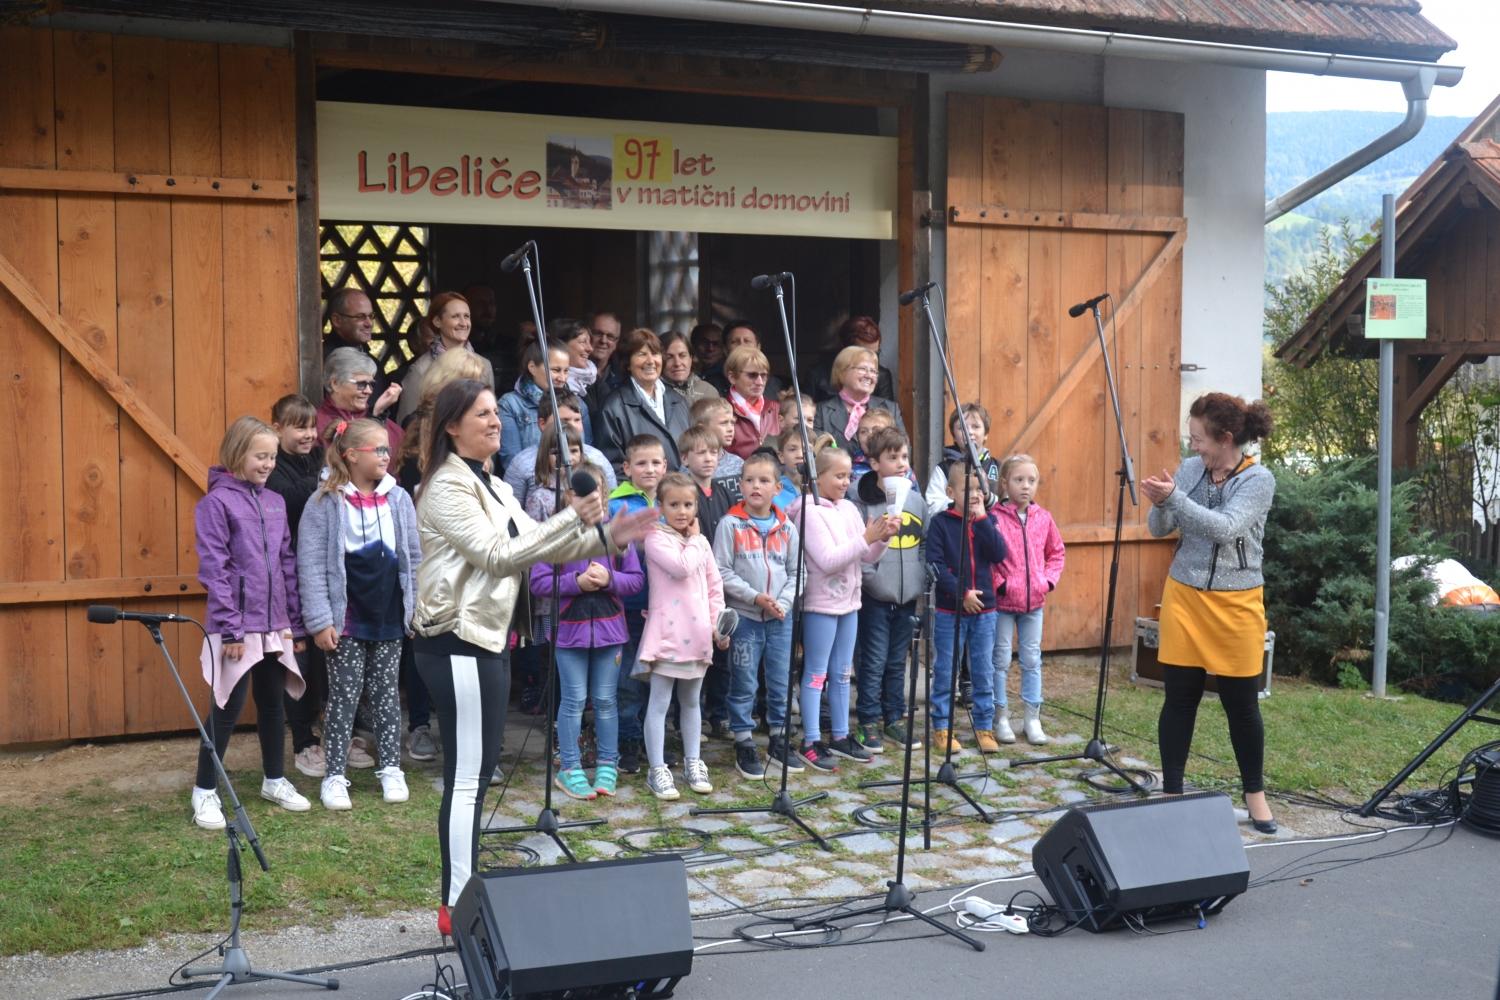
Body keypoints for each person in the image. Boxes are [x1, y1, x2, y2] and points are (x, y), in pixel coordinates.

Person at [412, 379, 655, 936]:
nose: (495, 421)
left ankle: (465, 894)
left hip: (488, 640)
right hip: (455, 641)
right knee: (466, 779)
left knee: (478, 775)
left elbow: (542, 546)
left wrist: (608, 536)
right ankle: (456, 904)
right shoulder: (446, 486)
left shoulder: (495, 485)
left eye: (495, 412)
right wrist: (575, 515)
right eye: (482, 414)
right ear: (452, 426)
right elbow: (500, 556)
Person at [1143, 393, 1278, 834]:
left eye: (1199, 438)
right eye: (1191, 438)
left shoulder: (1258, 480)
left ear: (1226, 438)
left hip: (1237, 604)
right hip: (1184, 597)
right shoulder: (1188, 470)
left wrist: (1176, 499)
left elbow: (1225, 528)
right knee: (1179, 699)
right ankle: (1172, 792)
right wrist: (1162, 502)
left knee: (1242, 706)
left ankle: (1255, 796)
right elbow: (1159, 528)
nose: (1193, 446)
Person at [190, 416, 310, 830]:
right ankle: (205, 790)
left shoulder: (275, 502)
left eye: (272, 457)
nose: (268, 464)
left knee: (273, 703)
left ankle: (274, 780)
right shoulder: (216, 504)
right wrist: (232, 629)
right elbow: (215, 568)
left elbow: (286, 563)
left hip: (275, 625)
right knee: (227, 706)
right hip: (237, 627)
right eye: (261, 456)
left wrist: (293, 623)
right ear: (237, 453)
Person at [297, 419, 422, 810]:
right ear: (351, 455)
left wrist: (413, 607)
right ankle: (334, 775)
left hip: (388, 616)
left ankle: (391, 768)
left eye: (387, 449)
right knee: (343, 698)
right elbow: (311, 565)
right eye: (378, 449)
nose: (386, 455)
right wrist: (320, 620)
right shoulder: (324, 502)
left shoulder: (398, 499)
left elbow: (413, 556)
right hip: (347, 619)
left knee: (387, 696)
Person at [391, 346, 493, 764]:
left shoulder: (480, 433)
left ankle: (474, 739)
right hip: (430, 549)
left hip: (473, 550)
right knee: (429, 637)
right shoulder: (420, 428)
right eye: (466, 381)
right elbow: (412, 489)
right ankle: (420, 725)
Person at [529, 463, 645, 800]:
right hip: (569, 633)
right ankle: (570, 767)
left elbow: (636, 580)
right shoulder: (555, 533)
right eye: (581, 493)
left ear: (605, 495)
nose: (590, 499)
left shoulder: (616, 534)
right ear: (568, 496)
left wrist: (610, 579)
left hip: (611, 632)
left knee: (606, 700)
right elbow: (539, 582)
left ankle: (608, 764)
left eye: (596, 492)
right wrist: (576, 583)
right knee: (574, 700)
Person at [788, 441, 898, 771]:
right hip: (821, 605)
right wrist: (866, 538)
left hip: (850, 602)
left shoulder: (848, 508)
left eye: (848, 476)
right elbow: (828, 560)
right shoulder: (808, 512)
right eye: (838, 476)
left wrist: (883, 538)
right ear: (817, 477)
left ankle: (839, 735)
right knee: (816, 673)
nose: (845, 482)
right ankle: (810, 740)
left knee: (841, 673)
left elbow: (866, 556)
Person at [265, 395, 343, 779]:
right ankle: (302, 739)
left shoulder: (319, 460)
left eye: (312, 426)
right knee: (298, 658)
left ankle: (335, 731)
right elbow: (294, 501)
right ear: (277, 428)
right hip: (289, 574)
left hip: (325, 572)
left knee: (329, 653)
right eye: (299, 427)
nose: (309, 434)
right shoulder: (273, 470)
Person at [638, 472, 730, 799]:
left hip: (699, 633)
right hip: (668, 634)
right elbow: (681, 567)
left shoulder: (700, 542)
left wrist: (718, 625)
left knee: (692, 701)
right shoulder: (656, 538)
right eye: (674, 504)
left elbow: (714, 586)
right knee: (660, 702)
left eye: (688, 504)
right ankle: (657, 769)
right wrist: (695, 540)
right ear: (660, 506)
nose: (682, 511)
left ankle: (694, 761)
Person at [715, 452, 802, 777]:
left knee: (780, 679)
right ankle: (744, 741)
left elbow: (798, 572)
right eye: (749, 480)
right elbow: (721, 570)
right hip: (746, 617)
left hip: (780, 617)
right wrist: (755, 597)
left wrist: (784, 602)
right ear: (740, 485)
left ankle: (779, 737)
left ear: (777, 488)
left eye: (764, 481)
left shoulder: (787, 527)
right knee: (744, 680)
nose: (756, 486)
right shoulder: (730, 524)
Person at [851, 427, 928, 755]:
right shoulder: (862, 502)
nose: (901, 463)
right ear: (874, 463)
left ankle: (893, 716)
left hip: (907, 596)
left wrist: (918, 579)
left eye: (904, 457)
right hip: (875, 597)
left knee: (897, 661)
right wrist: (873, 579)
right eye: (892, 457)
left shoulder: (916, 501)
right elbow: (859, 545)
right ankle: (868, 720)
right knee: (874, 660)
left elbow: (923, 544)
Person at [927, 464, 1007, 754]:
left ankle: (984, 726)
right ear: (950, 492)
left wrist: (983, 520)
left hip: (985, 612)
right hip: (951, 611)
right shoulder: (940, 524)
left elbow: (999, 553)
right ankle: (942, 727)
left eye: (978, 489)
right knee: (945, 669)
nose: (974, 495)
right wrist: (962, 593)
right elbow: (935, 563)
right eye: (967, 489)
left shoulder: (988, 520)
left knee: (983, 669)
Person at [989, 453, 1066, 746]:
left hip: (1034, 604)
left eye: (1031, 480)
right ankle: (1000, 716)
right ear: (1004, 483)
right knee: (1000, 659)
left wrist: (1047, 581)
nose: (1025, 486)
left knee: (1032, 659)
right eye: (1019, 479)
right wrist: (1001, 585)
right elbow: (987, 558)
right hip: (1003, 604)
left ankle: (1032, 718)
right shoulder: (995, 519)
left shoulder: (1043, 518)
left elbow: (1056, 553)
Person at [608, 435, 670, 774]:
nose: (649, 469)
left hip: (667, 607)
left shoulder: (674, 498)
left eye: (655, 462)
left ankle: (654, 738)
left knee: (661, 675)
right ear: (627, 467)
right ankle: (628, 739)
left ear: (665, 466)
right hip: (630, 604)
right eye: (641, 463)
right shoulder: (617, 505)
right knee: (629, 677)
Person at [680, 424, 742, 738]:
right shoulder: (684, 495)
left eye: (713, 452)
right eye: (700, 453)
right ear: (685, 458)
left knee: (722, 652)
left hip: (722, 582)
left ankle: (719, 714)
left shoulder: (724, 492)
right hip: (695, 582)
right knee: (695, 652)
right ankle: (691, 718)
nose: (708, 459)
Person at [502, 389, 615, 513]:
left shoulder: (597, 458)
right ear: (542, 424)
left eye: (577, 420)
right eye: (564, 421)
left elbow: (612, 503)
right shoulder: (522, 464)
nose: (572, 426)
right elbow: (511, 513)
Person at [597, 328, 691, 472]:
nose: (650, 361)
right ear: (627, 363)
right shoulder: (613, 407)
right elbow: (613, 467)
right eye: (642, 354)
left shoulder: (678, 401)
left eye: (655, 353)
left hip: (683, 486)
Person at [397, 293, 495, 425]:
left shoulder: (484, 365)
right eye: (455, 316)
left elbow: (491, 415)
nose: (463, 323)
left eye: (466, 316)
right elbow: (407, 423)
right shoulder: (421, 369)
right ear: (437, 321)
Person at [497, 340, 588, 472]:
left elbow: (588, 452)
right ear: (532, 367)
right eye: (556, 370)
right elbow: (512, 463)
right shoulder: (510, 405)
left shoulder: (579, 404)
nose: (562, 378)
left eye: (566, 371)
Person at [814, 345, 905, 453]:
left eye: (873, 371)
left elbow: (903, 449)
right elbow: (816, 452)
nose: (869, 375)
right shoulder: (821, 411)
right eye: (862, 369)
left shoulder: (890, 408)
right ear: (842, 372)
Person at [319, 346, 404, 455]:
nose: (368, 391)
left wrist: (376, 416)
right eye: (361, 384)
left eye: (371, 384)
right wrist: (374, 418)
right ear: (335, 383)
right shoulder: (316, 425)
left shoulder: (390, 427)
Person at [926, 403, 1002, 516]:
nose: (969, 432)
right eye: (962, 428)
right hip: (955, 526)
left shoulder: (998, 467)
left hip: (990, 525)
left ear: (986, 434)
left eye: (975, 426)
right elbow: (933, 506)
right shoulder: (944, 469)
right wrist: (961, 504)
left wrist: (989, 498)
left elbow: (1009, 506)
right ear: (954, 436)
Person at [809, 315, 896, 402]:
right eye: (863, 353)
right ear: (845, 349)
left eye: (875, 353)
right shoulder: (817, 375)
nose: (870, 359)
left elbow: (886, 408)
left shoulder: (881, 376)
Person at [723, 345, 783, 459]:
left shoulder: (776, 408)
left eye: (764, 376)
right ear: (732, 377)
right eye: (752, 375)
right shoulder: (719, 413)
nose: (760, 382)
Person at [708, 322, 784, 399]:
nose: (742, 345)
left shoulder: (775, 385)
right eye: (735, 342)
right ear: (725, 349)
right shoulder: (711, 386)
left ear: (758, 347)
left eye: (747, 341)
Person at [661, 330, 719, 408]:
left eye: (682, 355)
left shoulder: (707, 391)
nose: (677, 363)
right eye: (669, 357)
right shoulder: (654, 392)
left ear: (691, 358)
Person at [691, 396, 743, 480]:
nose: (731, 429)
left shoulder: (738, 463)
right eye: (724, 423)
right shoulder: (691, 466)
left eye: (732, 423)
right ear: (702, 428)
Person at [557, 318, 598, 398]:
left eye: (589, 342)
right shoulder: (549, 384)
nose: (590, 349)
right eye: (583, 342)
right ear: (562, 345)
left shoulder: (596, 384)